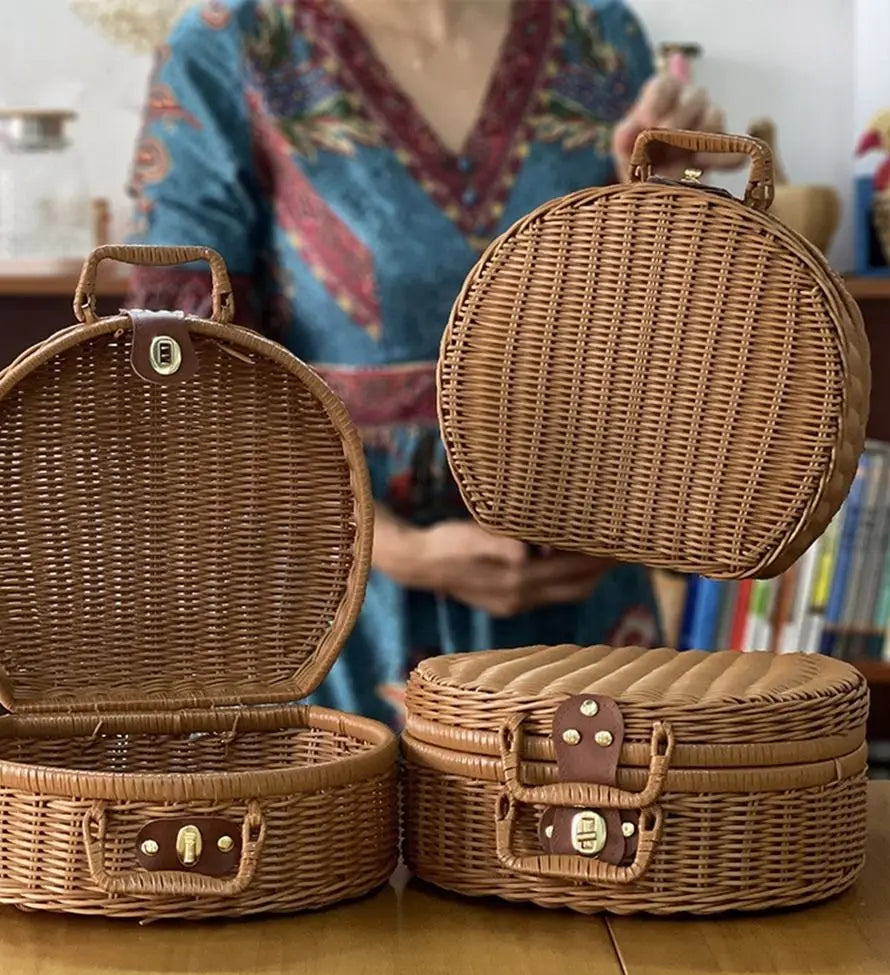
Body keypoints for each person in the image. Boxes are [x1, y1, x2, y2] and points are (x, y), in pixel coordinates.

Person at [126, 0, 737, 727]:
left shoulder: (599, 35)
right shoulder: (235, 45)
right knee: (339, 839)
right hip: (336, 595)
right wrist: (391, 546)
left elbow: (666, 338)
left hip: (583, 610)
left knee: (591, 832)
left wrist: (676, 203)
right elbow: (180, 361)